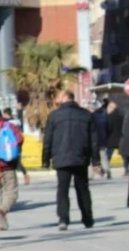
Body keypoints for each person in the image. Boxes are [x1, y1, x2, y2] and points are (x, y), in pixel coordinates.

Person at [42, 90, 98, 230]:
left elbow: (47, 139)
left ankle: (63, 219)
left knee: (62, 189)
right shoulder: (86, 115)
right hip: (81, 157)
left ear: (65, 98)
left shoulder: (54, 116)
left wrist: (45, 159)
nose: (57, 98)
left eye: (59, 96)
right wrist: (95, 160)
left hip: (61, 158)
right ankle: (87, 218)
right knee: (83, 189)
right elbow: (94, 140)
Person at [2, 108, 31, 185]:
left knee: (14, 162)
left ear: (7, 114)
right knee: (17, 162)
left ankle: (23, 176)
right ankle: (24, 175)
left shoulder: (8, 123)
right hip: (18, 144)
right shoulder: (16, 122)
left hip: (11, 144)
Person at [91, 100, 112, 180]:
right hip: (103, 139)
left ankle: (90, 174)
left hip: (93, 140)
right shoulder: (104, 116)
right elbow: (109, 128)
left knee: (91, 157)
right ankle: (108, 171)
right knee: (103, 156)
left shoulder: (91, 117)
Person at [107, 99, 126, 175]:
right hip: (120, 139)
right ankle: (127, 169)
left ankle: (105, 169)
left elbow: (108, 128)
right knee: (124, 156)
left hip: (111, 139)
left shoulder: (109, 117)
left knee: (108, 156)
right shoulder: (121, 116)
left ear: (111, 108)